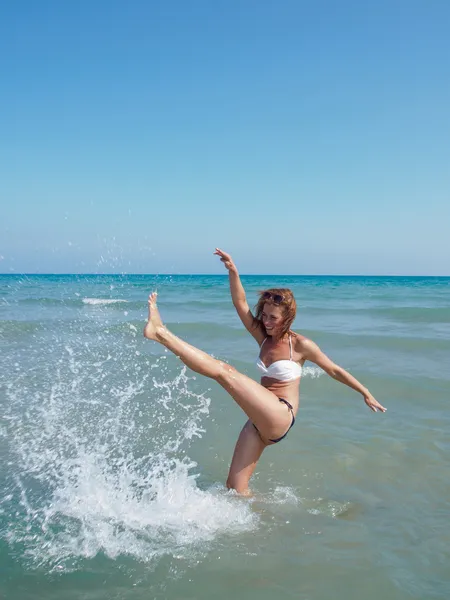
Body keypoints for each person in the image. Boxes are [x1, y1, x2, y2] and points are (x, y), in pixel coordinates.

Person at [144, 248, 386, 495]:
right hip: (260, 423)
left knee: (225, 372)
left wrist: (364, 392)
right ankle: (258, 522)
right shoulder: (263, 337)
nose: (266, 322)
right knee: (235, 489)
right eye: (264, 316)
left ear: (287, 318)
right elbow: (240, 303)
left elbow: (334, 370)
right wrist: (233, 271)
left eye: (273, 318)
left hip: (281, 414)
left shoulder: (300, 345)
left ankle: (160, 333)